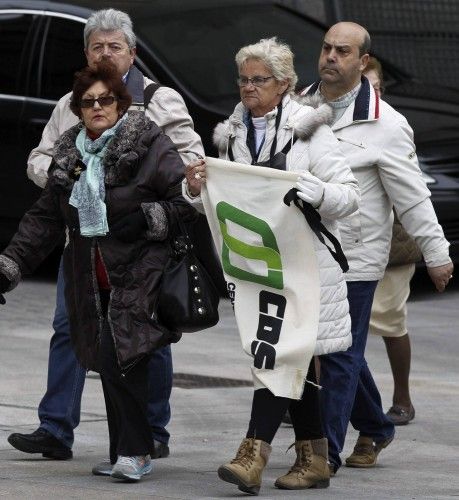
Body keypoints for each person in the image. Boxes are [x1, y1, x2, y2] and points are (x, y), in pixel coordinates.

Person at [7, 8, 204, 468]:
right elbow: (42, 167)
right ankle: (57, 427)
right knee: (70, 328)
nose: (106, 53)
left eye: (115, 46)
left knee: (142, 340)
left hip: (141, 253)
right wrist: (66, 177)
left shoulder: (158, 104)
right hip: (83, 246)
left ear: (132, 53)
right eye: (97, 46)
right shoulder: (69, 107)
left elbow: (188, 174)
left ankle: (148, 435)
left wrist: (150, 208)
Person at [183, 37, 359, 494]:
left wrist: (315, 190)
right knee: (286, 354)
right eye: (242, 79)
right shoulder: (233, 133)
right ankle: (315, 458)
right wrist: (196, 188)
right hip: (261, 267)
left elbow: (348, 197)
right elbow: (228, 206)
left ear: (283, 84)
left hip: (307, 269)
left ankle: (253, 452)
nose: (247, 87)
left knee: (277, 353)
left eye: (258, 79)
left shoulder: (312, 131)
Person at [301, 22, 453, 474]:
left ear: (362, 61)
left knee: (339, 353)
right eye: (326, 48)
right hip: (305, 251)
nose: (330, 57)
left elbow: (413, 196)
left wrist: (437, 252)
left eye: (342, 51)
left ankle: (323, 453)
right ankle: (375, 425)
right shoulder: (299, 107)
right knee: (327, 347)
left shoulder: (387, 124)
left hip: (357, 258)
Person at [365, 57, 419, 425]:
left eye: (374, 86)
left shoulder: (394, 124)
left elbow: (411, 192)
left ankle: (403, 397)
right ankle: (318, 398)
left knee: (389, 321)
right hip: (348, 243)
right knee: (329, 328)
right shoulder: (329, 119)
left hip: (392, 245)